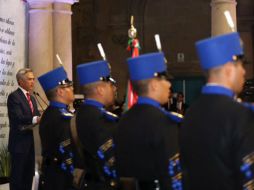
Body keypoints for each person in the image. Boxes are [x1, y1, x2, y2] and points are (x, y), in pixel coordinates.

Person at [179, 32, 254, 190]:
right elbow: (248, 178)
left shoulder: (190, 113)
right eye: (241, 65)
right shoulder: (240, 115)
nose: (244, 72)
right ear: (228, 70)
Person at [115, 52, 183, 190]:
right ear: (154, 85)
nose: (169, 84)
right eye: (165, 80)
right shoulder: (164, 122)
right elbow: (174, 177)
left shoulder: (123, 120)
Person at [76, 60, 118, 189]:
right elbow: (112, 162)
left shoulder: (82, 112)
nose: (114, 88)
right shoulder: (101, 119)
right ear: (100, 89)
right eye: (110, 85)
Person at [37, 67, 78, 190]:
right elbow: (68, 154)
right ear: (60, 91)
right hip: (61, 180)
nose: (72, 89)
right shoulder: (61, 118)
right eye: (68, 87)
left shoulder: (52, 112)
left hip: (53, 176)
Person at [7, 68, 41, 190]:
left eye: (33, 79)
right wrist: (36, 119)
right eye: (29, 79)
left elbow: (36, 114)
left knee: (28, 177)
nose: (32, 82)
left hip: (32, 144)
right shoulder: (14, 97)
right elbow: (18, 117)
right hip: (19, 145)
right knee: (17, 178)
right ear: (21, 81)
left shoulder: (32, 98)